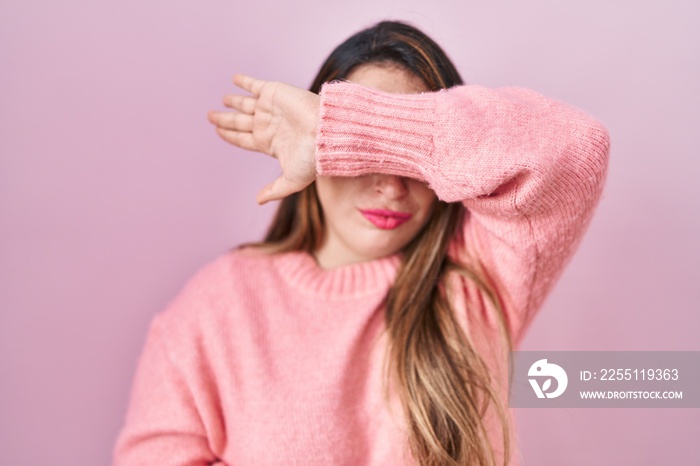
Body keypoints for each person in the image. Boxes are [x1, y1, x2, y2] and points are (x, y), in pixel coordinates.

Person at [113, 21, 609, 466]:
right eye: (361, 155)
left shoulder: (475, 281)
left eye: (405, 159)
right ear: (316, 151)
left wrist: (356, 128)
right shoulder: (214, 306)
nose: (392, 187)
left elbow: (576, 147)